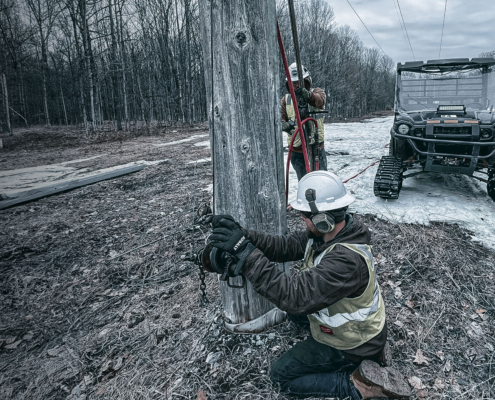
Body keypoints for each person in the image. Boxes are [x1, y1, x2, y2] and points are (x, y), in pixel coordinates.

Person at [203, 171, 411, 399]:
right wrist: (243, 236)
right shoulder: (330, 234)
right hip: (358, 329)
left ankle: (357, 386)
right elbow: (284, 247)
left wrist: (246, 254)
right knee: (293, 311)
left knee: (282, 375)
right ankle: (369, 355)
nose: (302, 218)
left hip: (355, 343)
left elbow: (295, 298)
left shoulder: (346, 261)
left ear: (322, 219)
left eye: (305, 214)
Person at [281, 62, 328, 181]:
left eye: (299, 82)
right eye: (293, 83)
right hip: (297, 151)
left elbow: (320, 101)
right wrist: (284, 125)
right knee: (304, 183)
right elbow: (279, 120)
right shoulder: (286, 100)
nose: (296, 86)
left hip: (316, 148)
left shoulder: (317, 92)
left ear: (307, 81)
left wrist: (308, 96)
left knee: (322, 182)